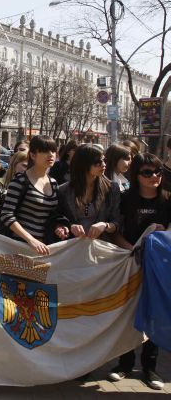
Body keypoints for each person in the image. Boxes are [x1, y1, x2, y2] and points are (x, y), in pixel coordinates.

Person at [108, 153, 169, 390]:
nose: (154, 177)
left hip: (159, 267)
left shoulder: (167, 200)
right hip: (130, 262)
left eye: (158, 172)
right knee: (128, 314)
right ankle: (124, 363)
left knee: (155, 313)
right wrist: (130, 249)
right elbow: (114, 231)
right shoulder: (125, 199)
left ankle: (149, 367)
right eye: (147, 172)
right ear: (136, 175)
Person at [0, 136, 67, 255]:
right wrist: (31, 240)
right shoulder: (20, 181)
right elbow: (6, 214)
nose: (51, 155)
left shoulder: (53, 183)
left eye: (53, 151)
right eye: (45, 151)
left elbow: (53, 215)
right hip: (20, 247)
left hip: (44, 248)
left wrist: (60, 227)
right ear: (33, 155)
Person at [57, 144, 120, 240]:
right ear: (84, 164)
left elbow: (116, 223)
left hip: (100, 246)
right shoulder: (63, 190)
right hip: (72, 246)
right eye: (97, 162)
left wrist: (105, 225)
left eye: (104, 160)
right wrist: (69, 227)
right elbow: (58, 219)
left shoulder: (112, 188)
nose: (103, 164)